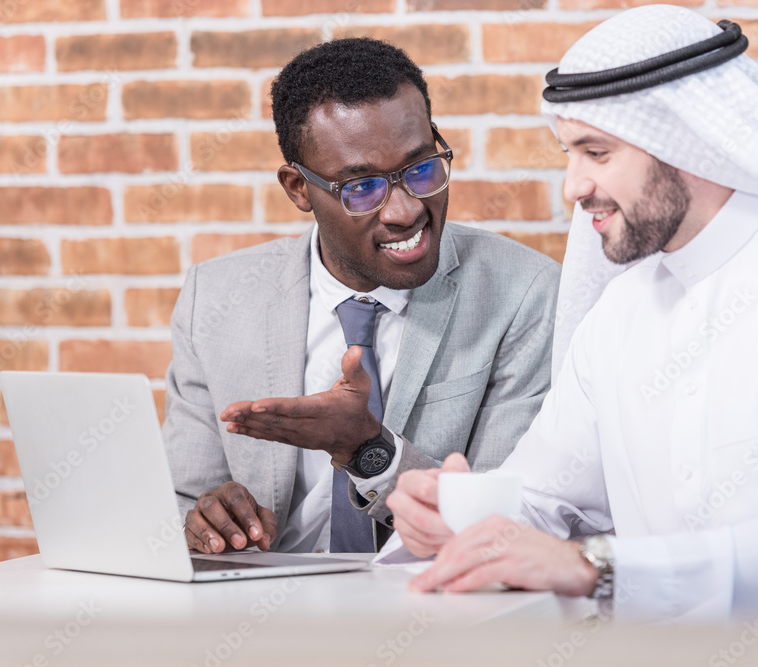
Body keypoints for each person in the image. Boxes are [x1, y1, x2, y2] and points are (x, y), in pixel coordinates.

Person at [385, 6, 758, 630]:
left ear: (689, 143)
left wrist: (596, 568)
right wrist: (457, 516)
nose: (573, 187)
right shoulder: (621, 312)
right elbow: (548, 499)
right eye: (569, 154)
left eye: (597, 152)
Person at [163, 38, 560, 556]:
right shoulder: (214, 299)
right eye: (363, 187)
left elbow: (506, 526)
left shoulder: (523, 294)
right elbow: (179, 502)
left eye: (422, 169)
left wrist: (368, 450)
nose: (405, 211)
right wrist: (207, 522)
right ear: (298, 189)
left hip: (436, 614)